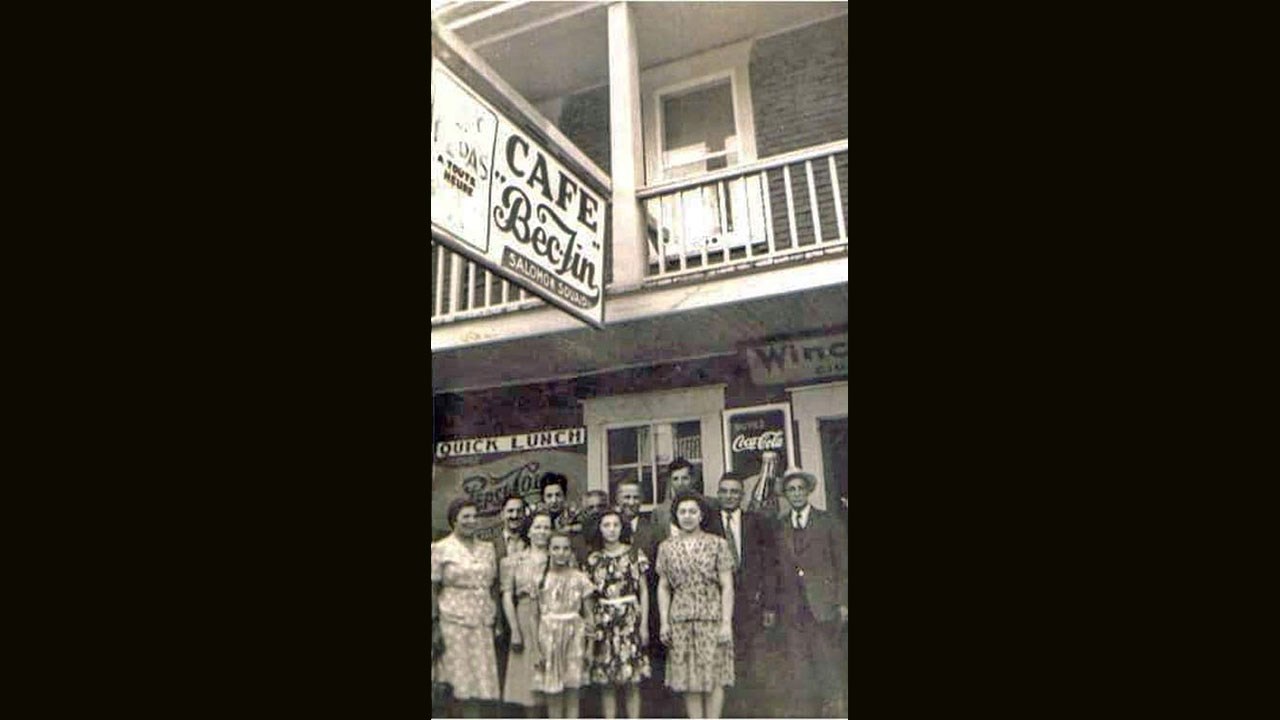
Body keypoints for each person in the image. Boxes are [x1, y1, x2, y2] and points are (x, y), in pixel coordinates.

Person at [762, 470, 848, 718]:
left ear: (808, 491)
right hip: (792, 608)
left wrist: (843, 602)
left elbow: (843, 566)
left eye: (801, 489)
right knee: (799, 668)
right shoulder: (780, 526)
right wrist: (771, 606)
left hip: (823, 606)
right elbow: (773, 569)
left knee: (827, 663)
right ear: (786, 495)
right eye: (791, 490)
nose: (797, 493)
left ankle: (836, 713)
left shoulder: (827, 522)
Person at [656, 491, 735, 719]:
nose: (687, 516)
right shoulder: (666, 547)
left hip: (711, 617)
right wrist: (664, 622)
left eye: (692, 511)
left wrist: (726, 623)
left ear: (701, 515)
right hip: (680, 620)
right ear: (676, 516)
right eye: (682, 512)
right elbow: (663, 587)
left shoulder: (717, 544)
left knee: (714, 676)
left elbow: (727, 586)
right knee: (688, 678)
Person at [710, 472, 776, 718]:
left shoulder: (756, 523)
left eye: (734, 492)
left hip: (753, 603)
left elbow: (769, 565)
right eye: (724, 491)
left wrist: (769, 605)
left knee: (755, 663)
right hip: (719, 606)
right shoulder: (708, 524)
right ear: (718, 494)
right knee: (725, 663)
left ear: (742, 495)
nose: (729, 496)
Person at [432, 498, 501, 718]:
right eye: (466, 517)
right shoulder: (440, 548)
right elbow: (432, 589)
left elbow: (493, 586)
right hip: (453, 622)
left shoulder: (487, 549)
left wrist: (497, 620)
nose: (471, 521)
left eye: (474, 516)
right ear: (454, 520)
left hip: (482, 621)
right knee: (455, 684)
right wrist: (434, 626)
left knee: (478, 686)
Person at [585, 509, 651, 719]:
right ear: (599, 529)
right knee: (607, 681)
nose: (611, 530)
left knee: (632, 679)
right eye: (606, 525)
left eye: (615, 525)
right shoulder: (593, 559)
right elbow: (588, 595)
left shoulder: (634, 554)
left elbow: (643, 591)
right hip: (604, 621)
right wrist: (591, 624)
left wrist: (643, 625)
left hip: (629, 620)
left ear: (622, 528)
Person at [534, 531, 596, 719]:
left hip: (574, 636)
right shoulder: (540, 578)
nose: (561, 553)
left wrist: (590, 647)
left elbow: (589, 615)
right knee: (553, 692)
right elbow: (534, 616)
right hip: (549, 637)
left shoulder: (580, 578)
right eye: (556, 548)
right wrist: (536, 649)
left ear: (571, 551)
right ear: (548, 550)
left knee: (572, 690)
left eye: (565, 549)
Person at [500, 510, 553, 717]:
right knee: (528, 685)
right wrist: (514, 630)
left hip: (553, 620)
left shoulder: (560, 556)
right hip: (524, 619)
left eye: (547, 527)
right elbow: (507, 596)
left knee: (554, 679)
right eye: (538, 527)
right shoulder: (513, 561)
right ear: (529, 531)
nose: (542, 532)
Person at [652, 458, 723, 540]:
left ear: (692, 479)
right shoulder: (659, 513)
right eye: (675, 479)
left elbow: (717, 536)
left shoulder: (710, 505)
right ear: (670, 481)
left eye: (685, 478)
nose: (680, 483)